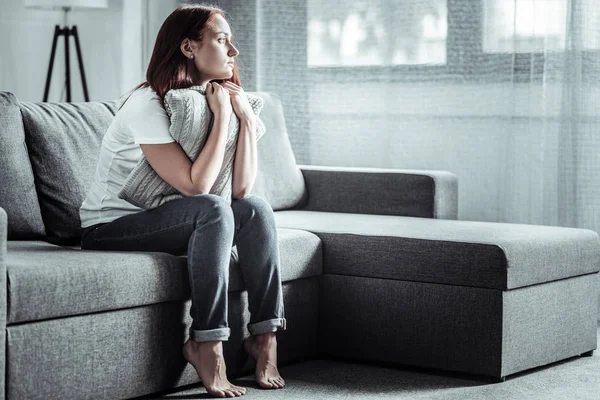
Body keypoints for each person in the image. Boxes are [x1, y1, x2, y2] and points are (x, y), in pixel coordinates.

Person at [79, 4, 285, 398]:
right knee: (212, 209)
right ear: (189, 47)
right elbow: (197, 188)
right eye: (222, 40)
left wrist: (242, 119)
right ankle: (205, 344)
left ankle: (265, 338)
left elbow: (241, 191)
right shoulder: (148, 104)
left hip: (175, 217)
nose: (234, 52)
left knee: (255, 208)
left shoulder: (209, 102)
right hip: (109, 228)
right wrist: (223, 116)